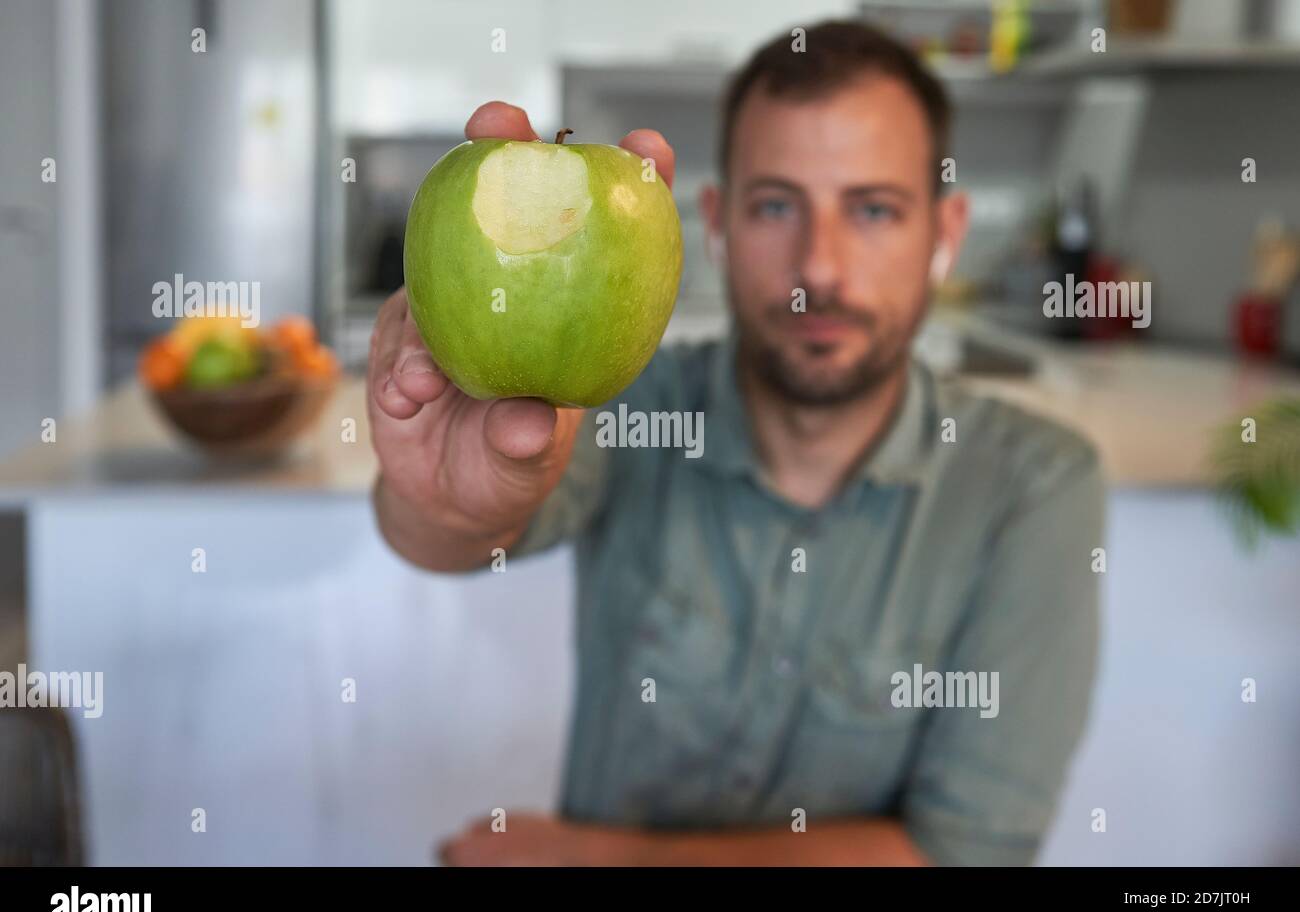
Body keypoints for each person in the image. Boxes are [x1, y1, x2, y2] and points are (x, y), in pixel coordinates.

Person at [368, 19, 1104, 866]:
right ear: (714, 223)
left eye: (873, 209)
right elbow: (459, 535)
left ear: (944, 234)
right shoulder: (632, 404)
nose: (820, 268)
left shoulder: (1034, 486)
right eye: (777, 205)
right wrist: (444, 503)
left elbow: (968, 853)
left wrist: (600, 863)